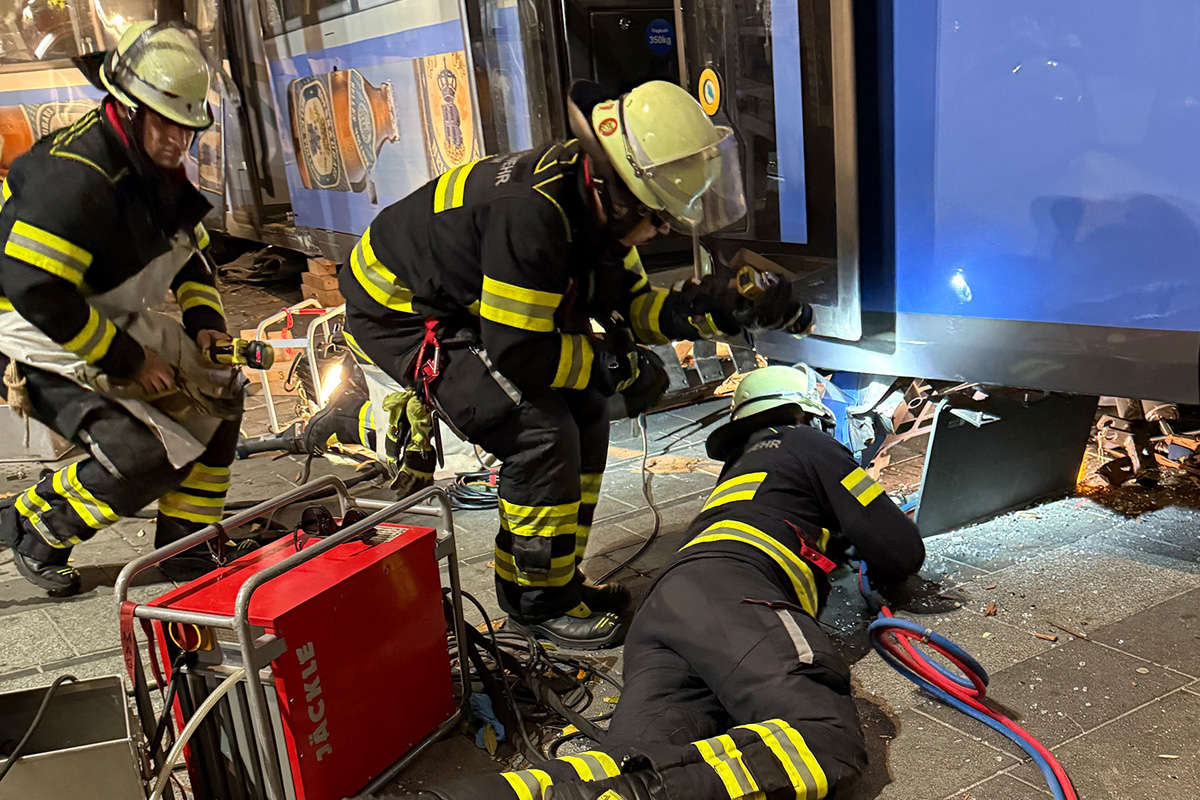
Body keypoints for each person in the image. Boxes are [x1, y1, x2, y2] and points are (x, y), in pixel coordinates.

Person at [340, 79, 814, 648]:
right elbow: (523, 352)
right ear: (618, 198)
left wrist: (714, 308)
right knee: (537, 433)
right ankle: (534, 602)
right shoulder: (535, 220)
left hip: (466, 300)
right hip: (402, 310)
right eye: (656, 219)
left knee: (586, 412)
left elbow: (632, 305)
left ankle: (557, 578)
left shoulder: (590, 198)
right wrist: (616, 367)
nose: (659, 230)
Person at [403, 364, 926, 800]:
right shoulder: (808, 442)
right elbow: (902, 550)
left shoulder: (738, 473)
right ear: (808, 412)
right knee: (822, 740)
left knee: (627, 762)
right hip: (736, 591)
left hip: (665, 612)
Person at [0, 21, 243, 597]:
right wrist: (128, 360)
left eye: (186, 129)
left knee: (221, 392)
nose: (175, 141)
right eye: (164, 123)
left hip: (97, 312)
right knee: (141, 454)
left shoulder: (151, 166)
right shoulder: (75, 181)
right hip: (28, 332)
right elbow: (32, 288)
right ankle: (36, 528)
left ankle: (188, 540)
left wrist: (205, 324)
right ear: (128, 108)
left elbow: (190, 256)